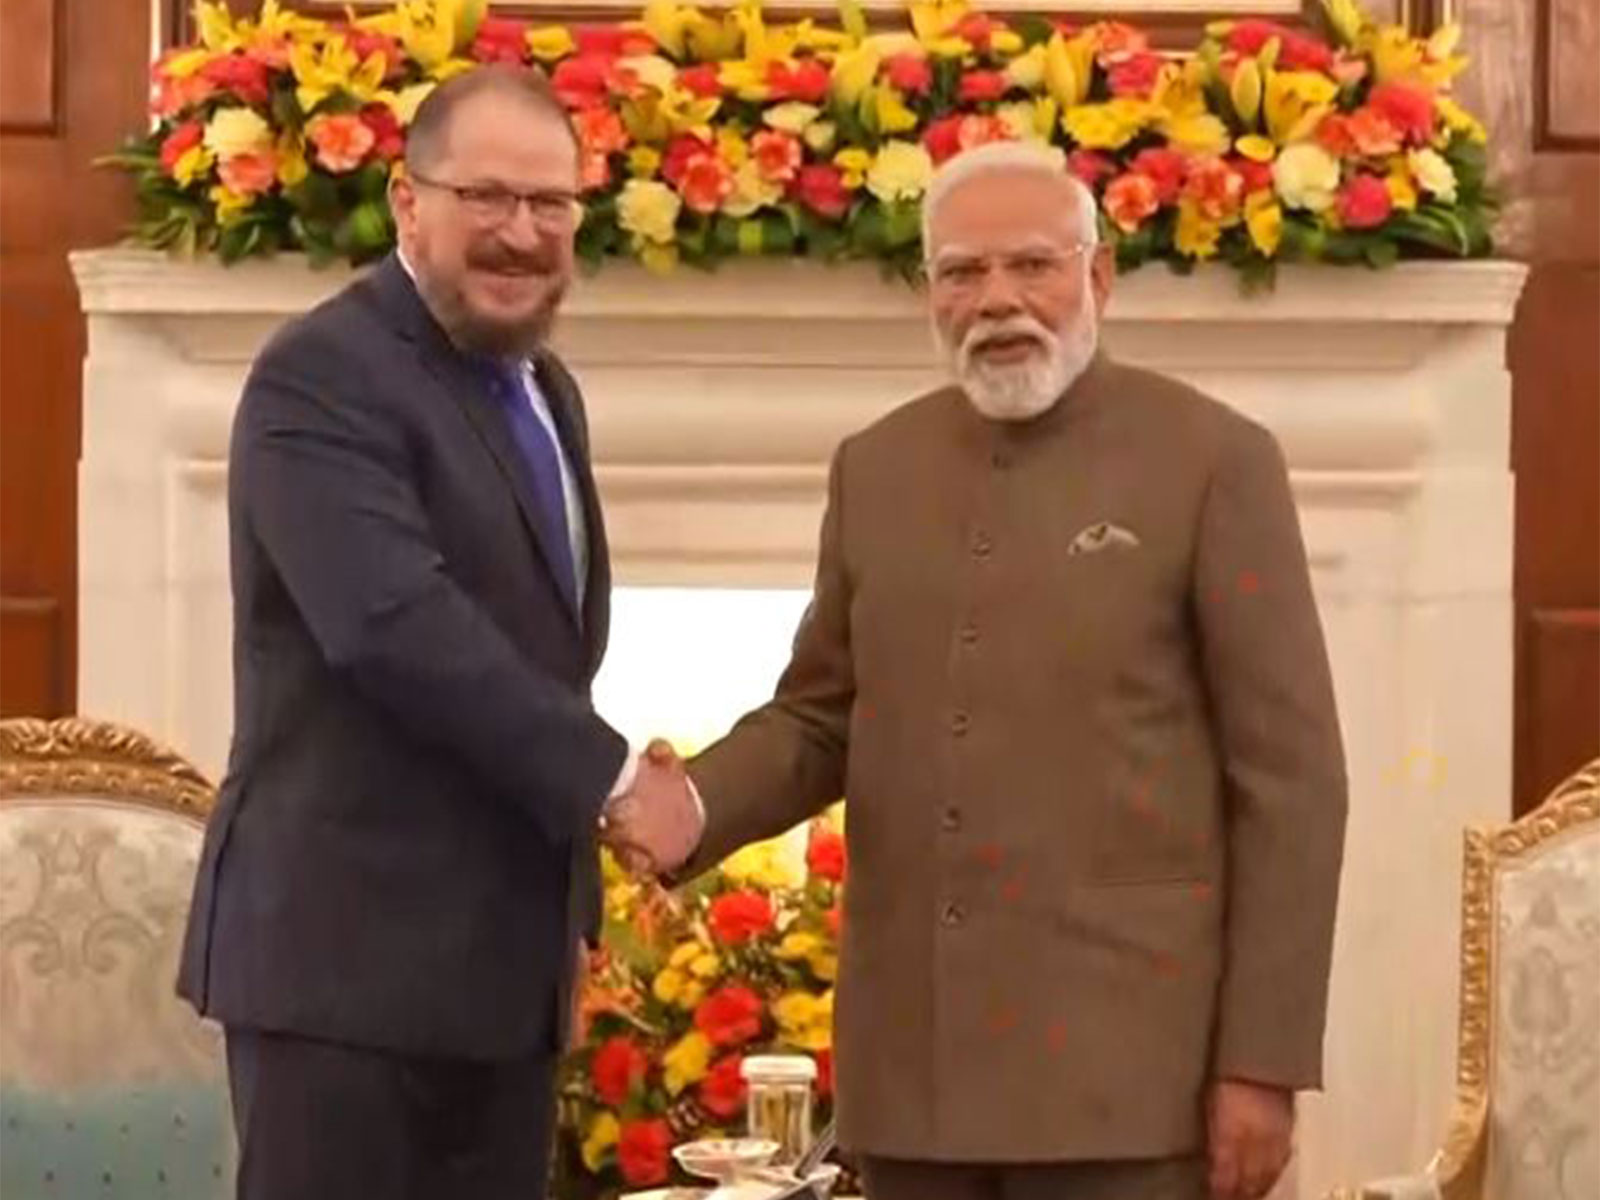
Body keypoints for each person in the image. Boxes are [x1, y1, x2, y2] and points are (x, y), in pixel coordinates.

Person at [610, 141, 1348, 1200]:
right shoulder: (875, 466)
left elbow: (1292, 785)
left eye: (1033, 266)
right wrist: (696, 805)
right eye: (962, 273)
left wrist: (1262, 1062)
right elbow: (821, 717)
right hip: (915, 1081)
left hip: (1132, 1086)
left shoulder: (1213, 460)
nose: (998, 299)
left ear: (1096, 277)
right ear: (929, 295)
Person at [176, 66, 694, 1199]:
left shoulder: (544, 387)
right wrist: (611, 781)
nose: (522, 233)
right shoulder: (321, 375)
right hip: (345, 979)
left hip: (499, 990)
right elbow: (390, 626)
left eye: (550, 205)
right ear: (409, 203)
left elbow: (540, 644)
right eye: (487, 199)